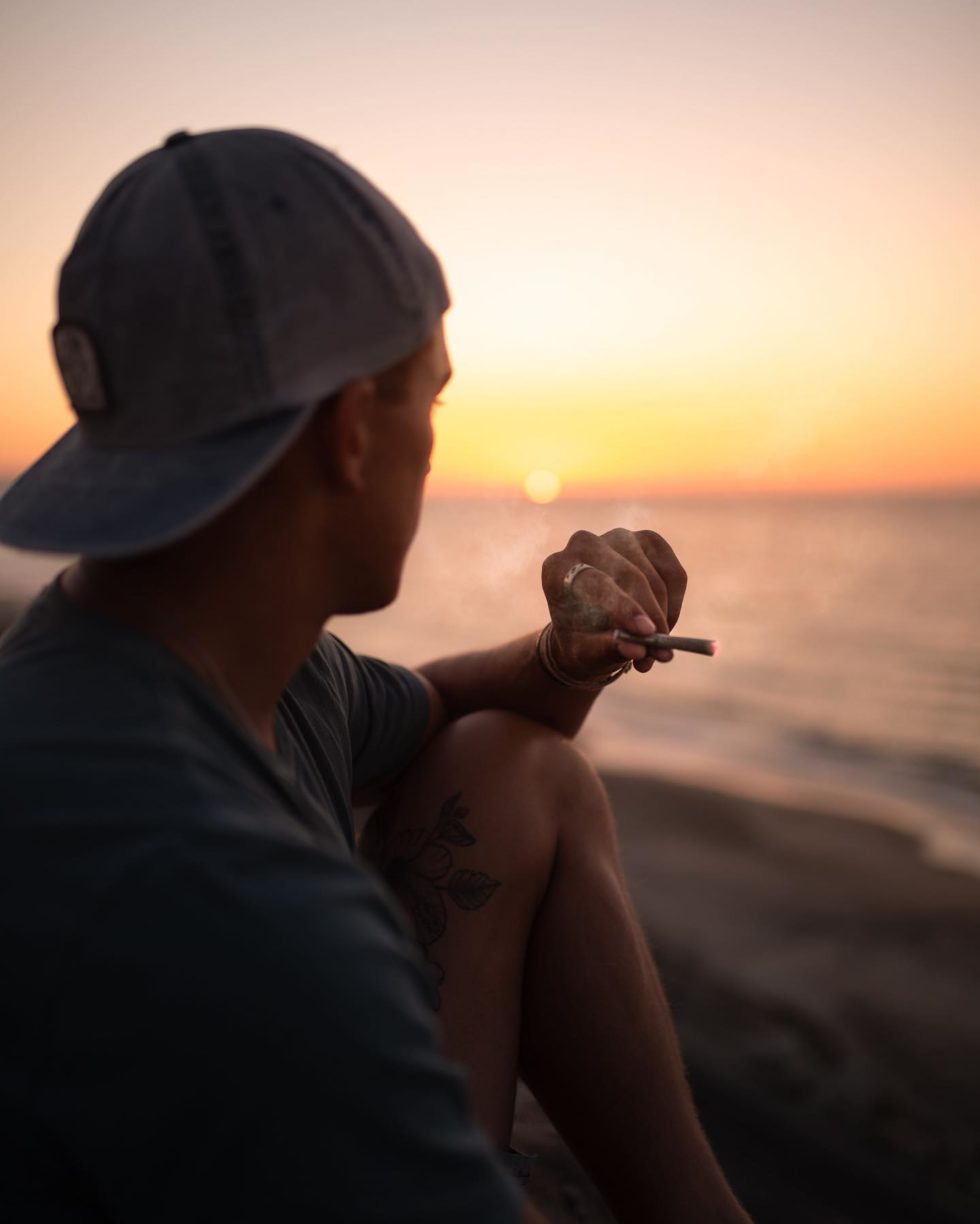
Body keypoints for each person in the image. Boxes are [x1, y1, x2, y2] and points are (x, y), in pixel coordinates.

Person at [0, 127, 750, 1223]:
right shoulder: (236, 912)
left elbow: (443, 705)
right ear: (354, 430)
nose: (435, 446)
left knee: (513, 763)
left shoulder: (196, 664)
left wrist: (561, 659)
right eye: (429, 400)